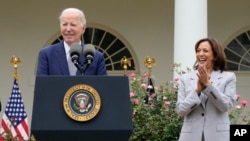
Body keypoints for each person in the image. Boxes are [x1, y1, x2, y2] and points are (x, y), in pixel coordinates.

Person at [176, 38, 236, 141]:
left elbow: (226, 106)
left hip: (218, 136)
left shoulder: (228, 77)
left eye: (205, 50)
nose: (200, 54)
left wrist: (209, 87)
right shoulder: (185, 78)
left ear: (215, 55)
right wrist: (197, 91)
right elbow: (181, 111)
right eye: (198, 51)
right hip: (190, 136)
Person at [36, 8, 107, 75]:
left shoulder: (96, 57)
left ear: (83, 28)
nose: (68, 29)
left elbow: (102, 86)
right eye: (64, 24)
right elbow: (42, 86)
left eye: (73, 25)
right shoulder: (47, 54)